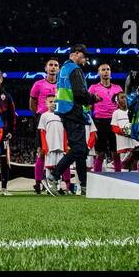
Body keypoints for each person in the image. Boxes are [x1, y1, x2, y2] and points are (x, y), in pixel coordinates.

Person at [44, 44, 92, 195]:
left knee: (81, 151)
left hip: (66, 112)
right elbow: (80, 94)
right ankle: (53, 176)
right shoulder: (75, 69)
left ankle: (84, 186)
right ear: (77, 54)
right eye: (84, 57)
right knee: (79, 149)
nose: (84, 61)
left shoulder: (64, 69)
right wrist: (93, 98)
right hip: (73, 112)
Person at [29, 58, 61, 194]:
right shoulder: (38, 84)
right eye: (51, 65)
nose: (53, 68)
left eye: (55, 65)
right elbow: (32, 102)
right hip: (43, 119)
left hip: (59, 119)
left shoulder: (62, 85)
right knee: (41, 151)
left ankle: (56, 183)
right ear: (46, 68)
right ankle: (37, 183)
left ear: (58, 69)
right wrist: (39, 115)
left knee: (59, 151)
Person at [88, 63, 123, 172]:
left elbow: (123, 105)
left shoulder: (118, 88)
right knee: (100, 153)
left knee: (116, 152)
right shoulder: (93, 88)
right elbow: (88, 106)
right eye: (103, 69)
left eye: (108, 69)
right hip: (99, 121)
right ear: (99, 73)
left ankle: (119, 179)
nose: (106, 71)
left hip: (114, 122)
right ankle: (97, 177)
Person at [37, 95, 73, 194]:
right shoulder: (44, 116)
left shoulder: (62, 115)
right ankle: (49, 187)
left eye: (54, 102)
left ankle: (58, 187)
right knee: (49, 166)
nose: (53, 103)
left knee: (59, 167)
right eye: (50, 101)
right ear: (46, 103)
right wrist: (44, 146)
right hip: (50, 146)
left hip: (60, 146)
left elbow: (65, 131)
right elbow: (42, 132)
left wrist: (66, 145)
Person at [109, 90, 139, 171]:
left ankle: (135, 182)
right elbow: (114, 127)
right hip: (123, 144)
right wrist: (124, 132)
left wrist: (133, 131)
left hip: (134, 143)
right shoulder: (116, 113)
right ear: (118, 100)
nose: (124, 99)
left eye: (126, 97)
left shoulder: (134, 111)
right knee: (124, 164)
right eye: (122, 97)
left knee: (134, 163)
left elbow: (138, 124)